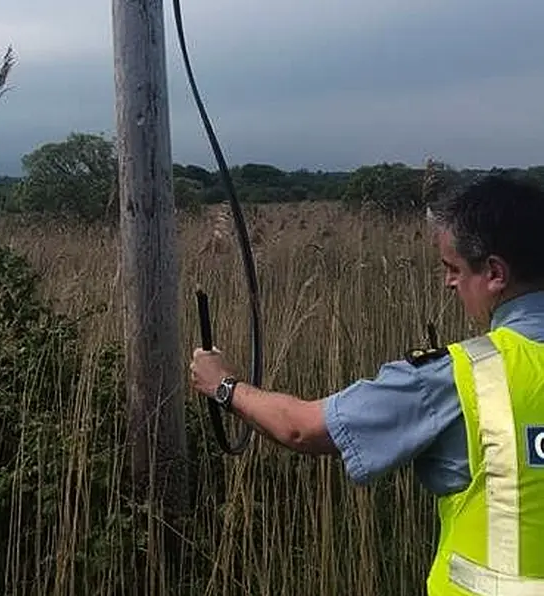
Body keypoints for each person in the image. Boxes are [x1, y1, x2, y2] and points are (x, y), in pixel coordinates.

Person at [190, 175, 544, 595]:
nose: (448, 283)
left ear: (495, 273)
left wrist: (223, 385)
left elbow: (302, 427)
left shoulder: (462, 376)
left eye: (453, 269)